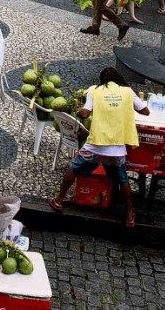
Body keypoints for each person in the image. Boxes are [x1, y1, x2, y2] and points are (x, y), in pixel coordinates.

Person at [50, 67, 149, 227]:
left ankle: (59, 200)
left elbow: (85, 114)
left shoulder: (94, 91)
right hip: (117, 148)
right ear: (118, 79)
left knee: (73, 168)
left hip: (96, 145)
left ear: (102, 80)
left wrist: (79, 109)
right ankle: (130, 213)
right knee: (123, 179)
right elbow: (145, 111)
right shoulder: (128, 91)